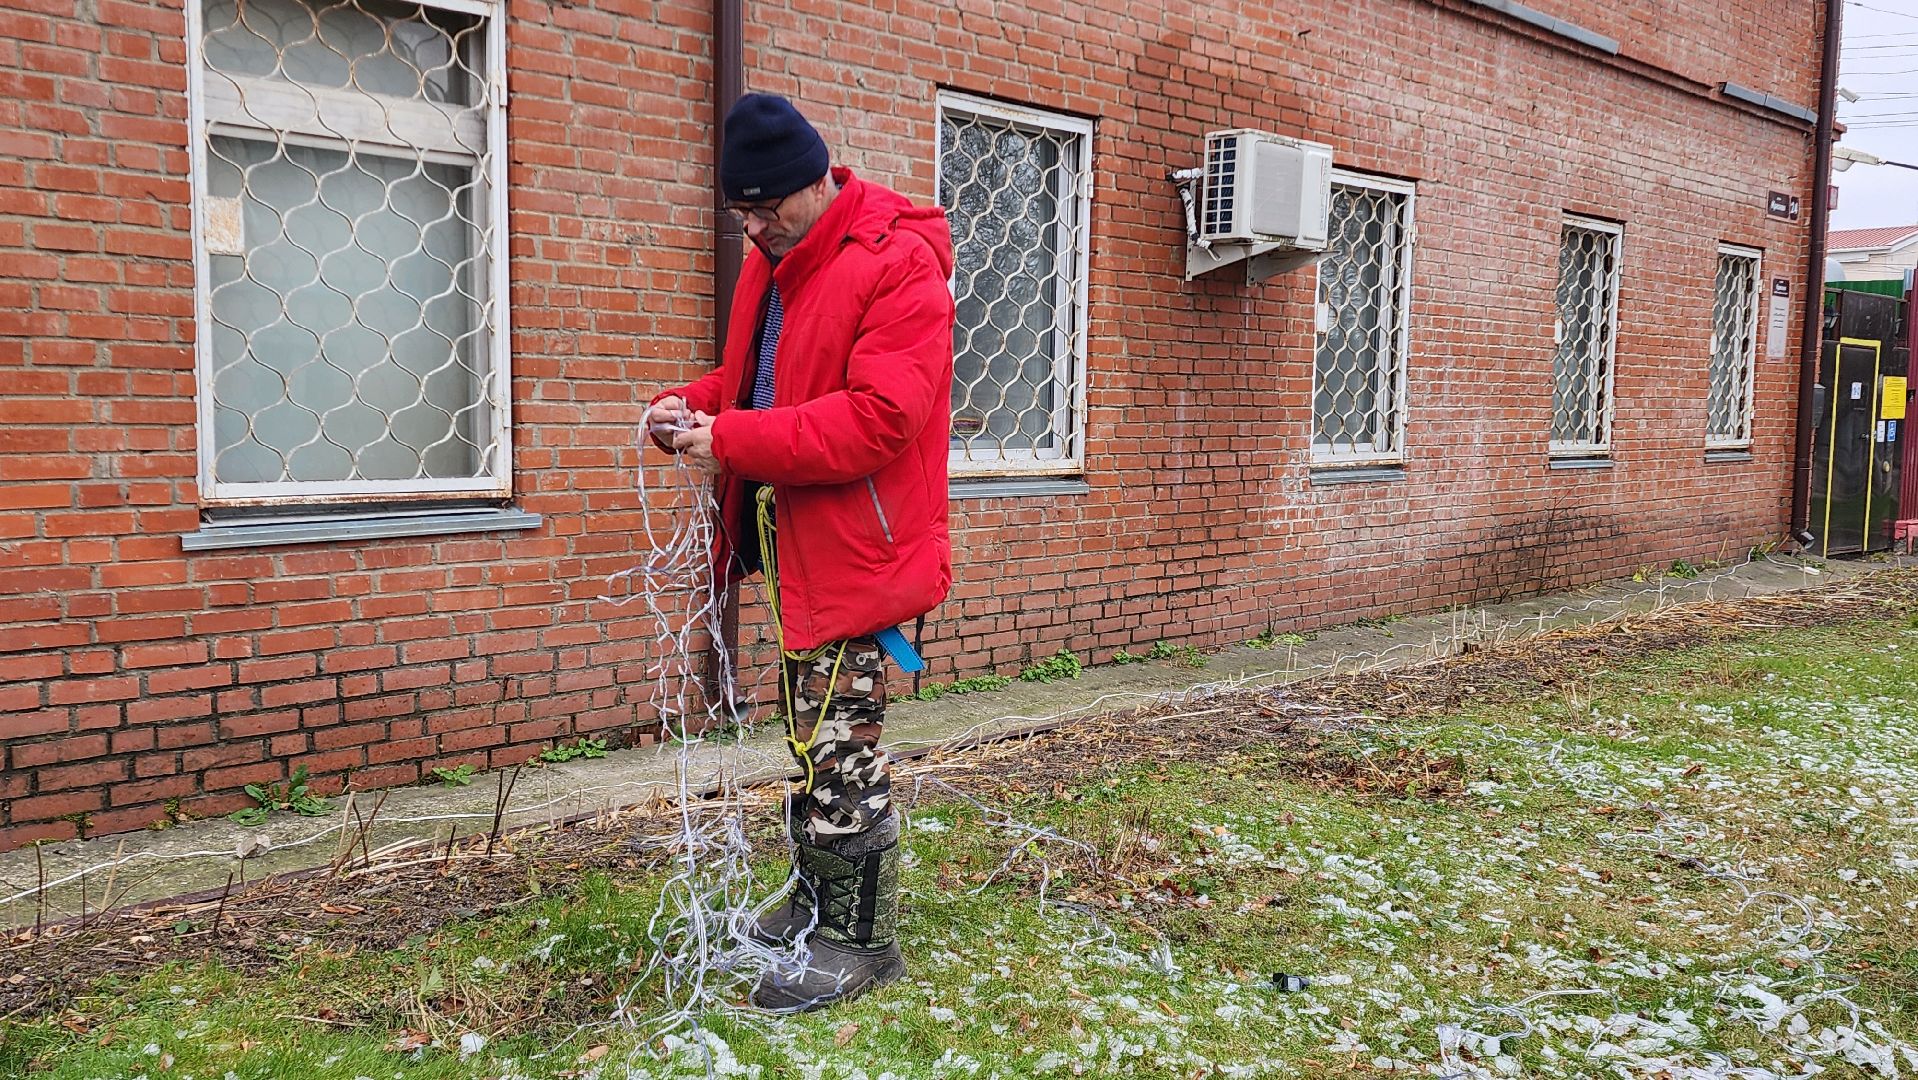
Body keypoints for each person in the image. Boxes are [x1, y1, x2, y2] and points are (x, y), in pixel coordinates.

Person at [645, 93, 956, 1011]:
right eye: (740, 213)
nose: (753, 227)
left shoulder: (898, 266)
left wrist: (732, 438)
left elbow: (879, 420)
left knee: (844, 746)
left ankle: (863, 942)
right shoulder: (771, 260)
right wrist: (688, 406)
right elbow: (753, 382)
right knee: (808, 732)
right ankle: (817, 897)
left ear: (816, 180)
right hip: (789, 542)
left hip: (860, 548)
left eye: (764, 208)